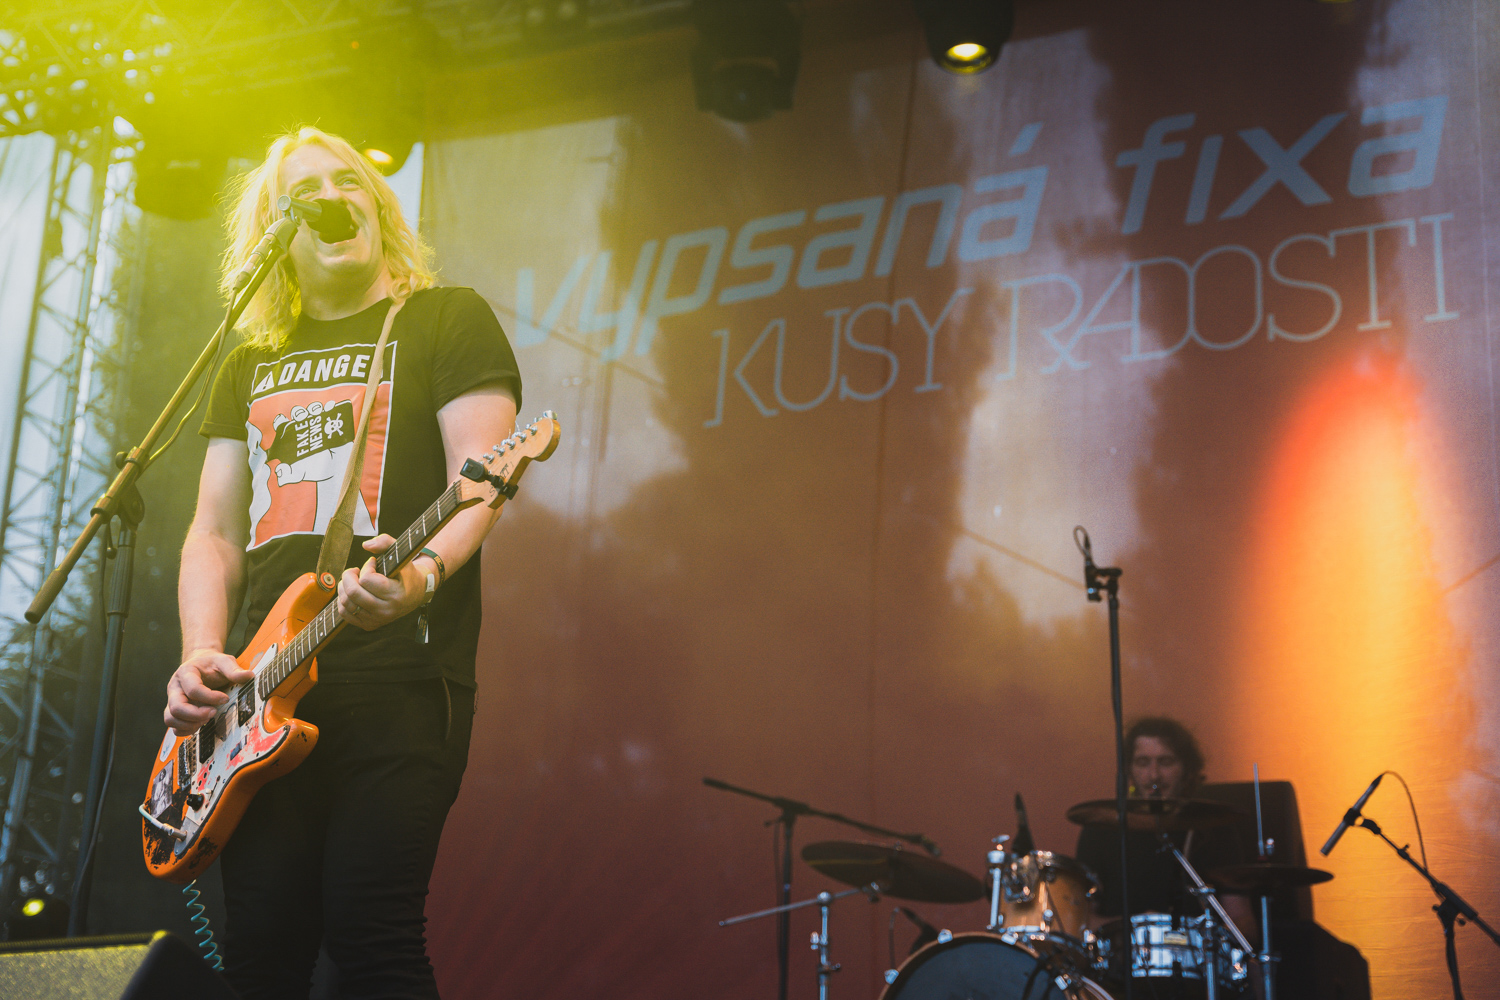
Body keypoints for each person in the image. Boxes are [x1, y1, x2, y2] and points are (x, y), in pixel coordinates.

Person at [161, 125, 522, 999]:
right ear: (275, 233)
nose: (332, 198)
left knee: (373, 936)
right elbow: (214, 531)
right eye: (306, 192)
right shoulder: (249, 360)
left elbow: (481, 483)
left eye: (349, 181)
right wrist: (200, 652)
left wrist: (418, 580)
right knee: (261, 956)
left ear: (379, 208)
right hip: (258, 694)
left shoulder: (445, 318)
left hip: (400, 678)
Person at [1075, 717, 1257, 942]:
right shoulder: (1100, 830)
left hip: (1196, 955)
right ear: (1129, 770)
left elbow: (1243, 922)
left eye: (1166, 762)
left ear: (1186, 770)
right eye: (1143, 762)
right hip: (1122, 956)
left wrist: (1202, 938)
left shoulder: (1215, 828)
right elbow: (1080, 922)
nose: (1154, 775)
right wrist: (1139, 925)